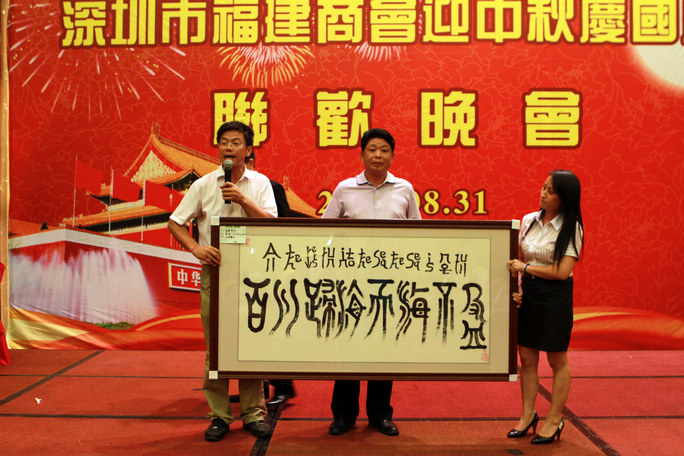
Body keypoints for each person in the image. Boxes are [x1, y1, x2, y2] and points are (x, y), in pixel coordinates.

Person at [168, 121, 277, 442]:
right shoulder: (203, 185)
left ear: (249, 149)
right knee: (215, 347)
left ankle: (253, 413)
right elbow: (175, 223)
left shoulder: (260, 183)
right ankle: (219, 415)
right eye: (224, 142)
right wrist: (196, 248)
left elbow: (271, 223)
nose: (229, 148)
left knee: (250, 344)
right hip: (216, 271)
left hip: (253, 273)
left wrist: (243, 200)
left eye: (236, 143)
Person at [321, 128, 421, 437]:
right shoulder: (345, 189)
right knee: (348, 348)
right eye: (372, 149)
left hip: (391, 284)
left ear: (392, 155)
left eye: (384, 150)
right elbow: (324, 232)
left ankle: (380, 415)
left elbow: (419, 234)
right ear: (362, 154)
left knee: (384, 349)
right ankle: (343, 416)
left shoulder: (405, 189)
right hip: (350, 283)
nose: (378, 155)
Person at [506, 170, 584, 445]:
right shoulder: (528, 220)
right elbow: (516, 260)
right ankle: (528, 415)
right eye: (543, 187)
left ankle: (554, 419)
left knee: (557, 360)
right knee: (527, 358)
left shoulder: (571, 227)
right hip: (529, 293)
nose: (543, 194)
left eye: (551, 191)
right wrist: (518, 289)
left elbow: (562, 272)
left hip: (555, 297)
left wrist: (526, 268)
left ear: (564, 198)